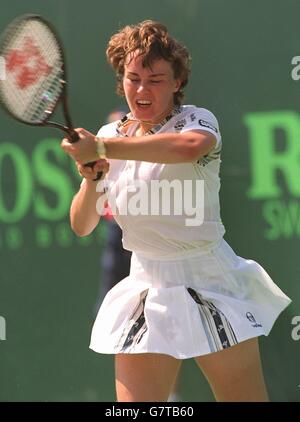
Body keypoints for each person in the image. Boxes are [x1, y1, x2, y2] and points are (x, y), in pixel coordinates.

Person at [61, 20, 291, 402]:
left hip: (211, 279)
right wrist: (90, 180)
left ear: (177, 81)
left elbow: (185, 148)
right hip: (146, 285)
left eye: (155, 79)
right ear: (122, 79)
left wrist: (103, 151)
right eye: (133, 78)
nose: (142, 89)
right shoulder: (109, 137)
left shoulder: (198, 121)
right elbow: (82, 225)